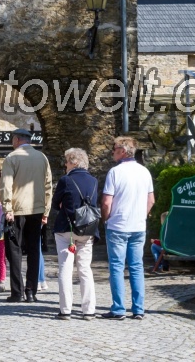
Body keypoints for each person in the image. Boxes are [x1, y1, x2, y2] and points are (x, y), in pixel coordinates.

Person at [101, 136, 155, 320]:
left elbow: (107, 202)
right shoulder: (145, 172)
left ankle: (118, 309)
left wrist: (105, 219)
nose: (112, 151)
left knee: (116, 267)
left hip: (118, 225)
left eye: (114, 148)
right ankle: (138, 309)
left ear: (123, 151)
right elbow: (151, 200)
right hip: (138, 226)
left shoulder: (115, 172)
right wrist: (142, 215)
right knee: (136, 267)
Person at [1, 128, 52, 303]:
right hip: (37, 209)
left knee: (14, 251)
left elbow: (6, 186)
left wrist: (7, 208)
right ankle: (31, 291)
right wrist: (46, 211)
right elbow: (48, 186)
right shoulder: (42, 158)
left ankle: (17, 291)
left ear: (16, 139)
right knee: (33, 251)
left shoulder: (12, 157)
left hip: (17, 210)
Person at [52, 148, 98, 320]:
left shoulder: (66, 180)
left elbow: (56, 203)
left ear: (74, 162)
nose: (65, 165)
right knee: (85, 269)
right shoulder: (94, 180)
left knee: (66, 268)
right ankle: (89, 310)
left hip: (67, 229)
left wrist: (64, 205)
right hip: (87, 229)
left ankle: (65, 310)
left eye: (67, 161)